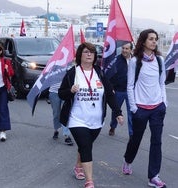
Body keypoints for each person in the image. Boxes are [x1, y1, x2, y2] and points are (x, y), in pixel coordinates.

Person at [58, 42, 123, 188]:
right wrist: (71, 91)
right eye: (86, 52)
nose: (89, 55)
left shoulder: (99, 73)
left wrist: (118, 112)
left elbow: (109, 94)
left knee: (85, 145)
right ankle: (89, 182)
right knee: (86, 146)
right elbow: (61, 94)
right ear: (80, 55)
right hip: (77, 119)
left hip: (96, 120)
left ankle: (78, 166)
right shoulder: (73, 73)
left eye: (92, 53)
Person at [122, 29, 167, 188]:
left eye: (156, 39)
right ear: (143, 41)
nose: (154, 42)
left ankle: (153, 176)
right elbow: (130, 86)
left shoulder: (160, 60)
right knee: (136, 139)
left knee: (157, 141)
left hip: (157, 109)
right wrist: (134, 108)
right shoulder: (135, 61)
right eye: (151, 39)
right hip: (140, 109)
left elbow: (162, 84)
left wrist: (164, 103)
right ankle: (127, 160)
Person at [105, 42, 133, 137]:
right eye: (123, 48)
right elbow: (110, 74)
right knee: (116, 111)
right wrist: (111, 87)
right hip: (118, 90)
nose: (124, 50)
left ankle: (131, 134)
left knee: (131, 113)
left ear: (131, 50)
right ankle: (113, 126)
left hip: (131, 91)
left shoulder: (135, 60)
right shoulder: (116, 60)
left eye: (127, 49)